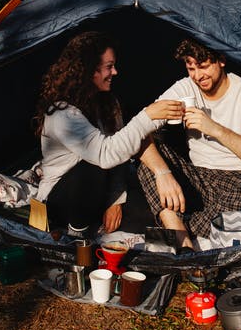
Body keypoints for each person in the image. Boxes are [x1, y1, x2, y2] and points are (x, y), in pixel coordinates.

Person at [137, 38, 241, 249]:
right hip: (199, 179)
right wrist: (163, 175)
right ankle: (183, 240)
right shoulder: (185, 89)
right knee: (150, 158)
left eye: (203, 66)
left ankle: (185, 227)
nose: (198, 76)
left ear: (221, 61)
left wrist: (214, 128)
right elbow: (139, 128)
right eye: (191, 68)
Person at [34, 31, 184, 236]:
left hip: (100, 194)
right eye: (108, 66)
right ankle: (76, 238)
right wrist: (147, 117)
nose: (115, 72)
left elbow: (120, 159)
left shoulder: (108, 104)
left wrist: (116, 200)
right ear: (88, 70)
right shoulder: (62, 114)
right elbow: (105, 155)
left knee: (147, 215)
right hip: (63, 199)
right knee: (91, 166)